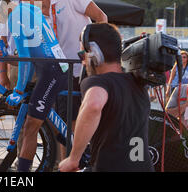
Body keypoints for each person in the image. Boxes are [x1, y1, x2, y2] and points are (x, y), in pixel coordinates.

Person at [11, 0, 107, 159]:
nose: (21, 1)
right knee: (63, 130)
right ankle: (67, 164)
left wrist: (92, 51)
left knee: (85, 125)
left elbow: (101, 18)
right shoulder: (31, 17)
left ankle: (89, 162)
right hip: (60, 73)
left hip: (86, 72)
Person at [0, 0, 69, 172]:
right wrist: (7, 58)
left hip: (50, 70)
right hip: (52, 67)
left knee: (30, 128)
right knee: (46, 123)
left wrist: (19, 90)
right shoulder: (26, 7)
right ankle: (78, 145)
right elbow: (27, 56)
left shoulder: (15, 18)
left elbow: (26, 61)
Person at [59, 23, 154, 172]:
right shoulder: (138, 83)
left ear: (94, 53)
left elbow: (93, 105)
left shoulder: (97, 82)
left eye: (82, 55)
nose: (83, 61)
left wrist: (73, 159)